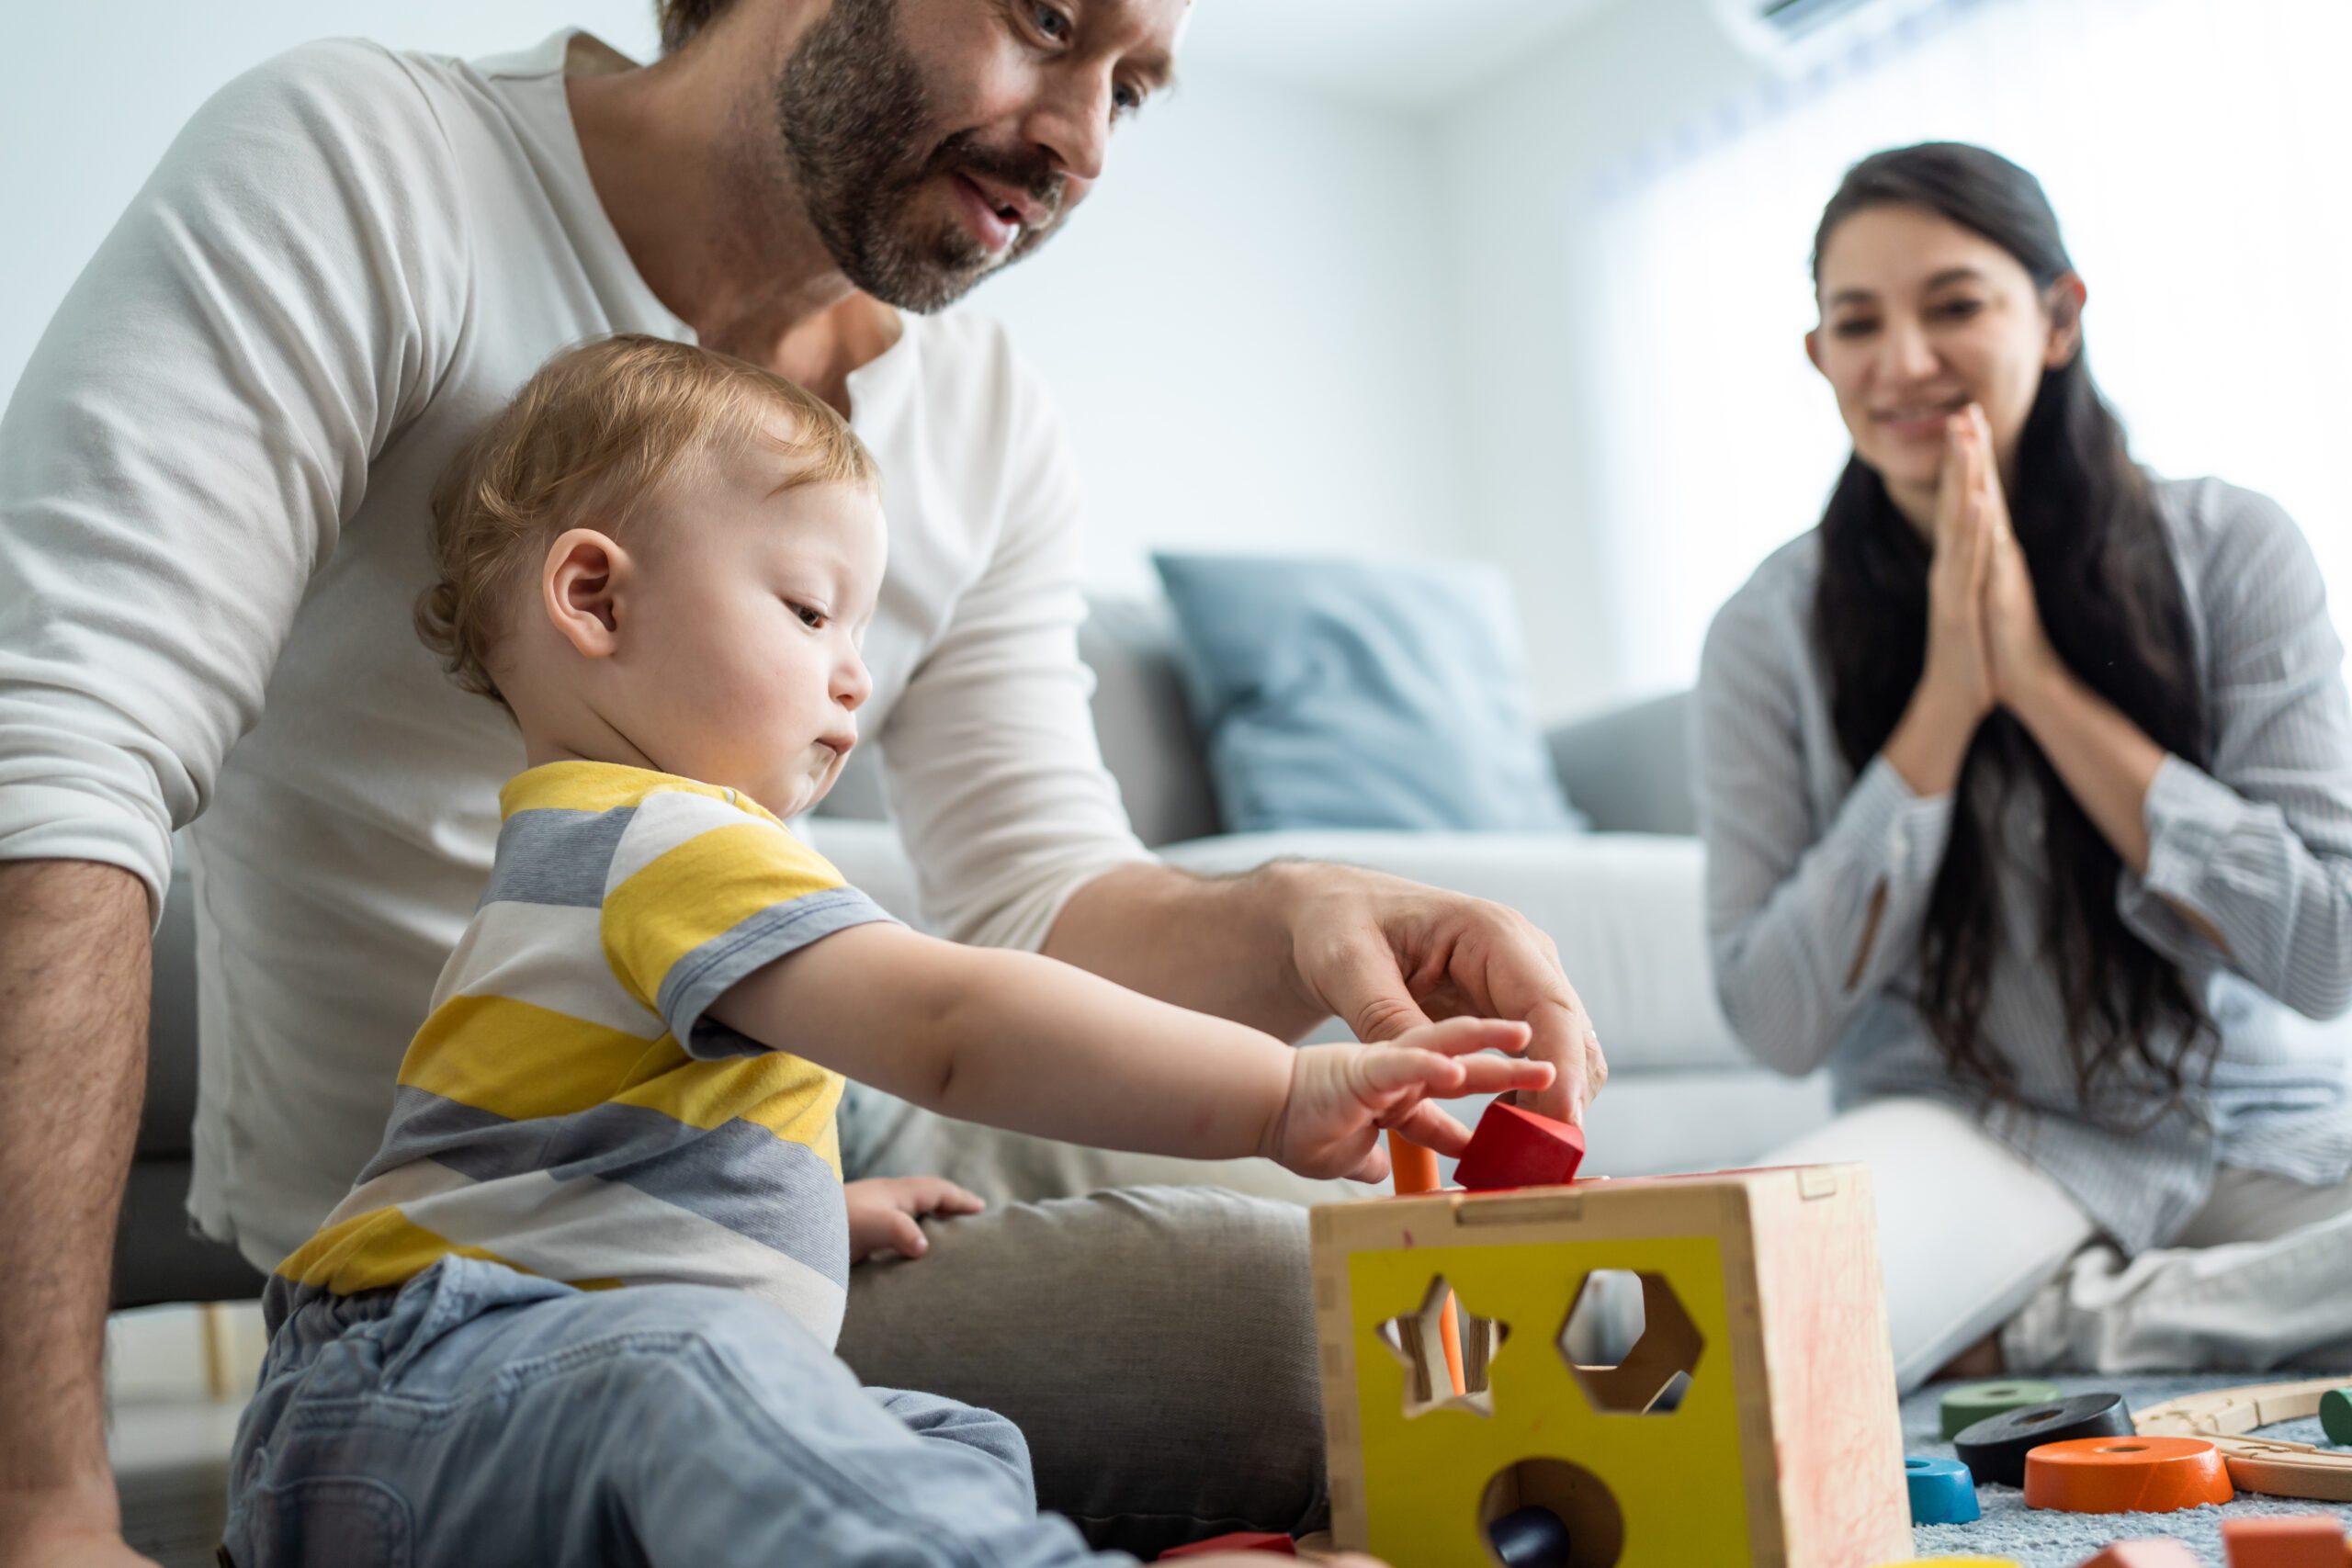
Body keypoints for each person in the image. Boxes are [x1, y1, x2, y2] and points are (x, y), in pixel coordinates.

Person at [0, 4, 1608, 1563]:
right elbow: (57, 738)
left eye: (1136, 86)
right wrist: (45, 1513)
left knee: (1369, 1294)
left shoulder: (986, 423)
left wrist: (1296, 910)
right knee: (1303, 1325)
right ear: (590, 592)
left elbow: (1036, 904)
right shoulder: (367, 164)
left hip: (719, 1201)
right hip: (461, 1314)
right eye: (1051, 19)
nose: (1087, 143)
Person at [227, 332, 1546, 1566]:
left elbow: (560, 1162)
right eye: (809, 612)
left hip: (443, 1409)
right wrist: (1281, 1094)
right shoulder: (668, 840)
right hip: (412, 1385)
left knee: (954, 1441)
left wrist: (787, 1208)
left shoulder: (594, 850)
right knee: (711, 1375)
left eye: (861, 629)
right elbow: (952, 1031)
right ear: (594, 597)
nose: (855, 673)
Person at [1695, 141, 2352, 1393]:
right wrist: (1941, 712)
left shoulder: (2235, 548)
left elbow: (2329, 954)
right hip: (1976, 1132)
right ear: (1818, 357)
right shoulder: (1763, 630)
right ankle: (2116, 1319)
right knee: (1738, 1333)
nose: (1902, 364)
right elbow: (1777, 1021)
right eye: (1857, 323)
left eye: (1954, 306)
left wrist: (2041, 686)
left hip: (2258, 1126)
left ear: (2058, 318)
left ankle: (2064, 1331)